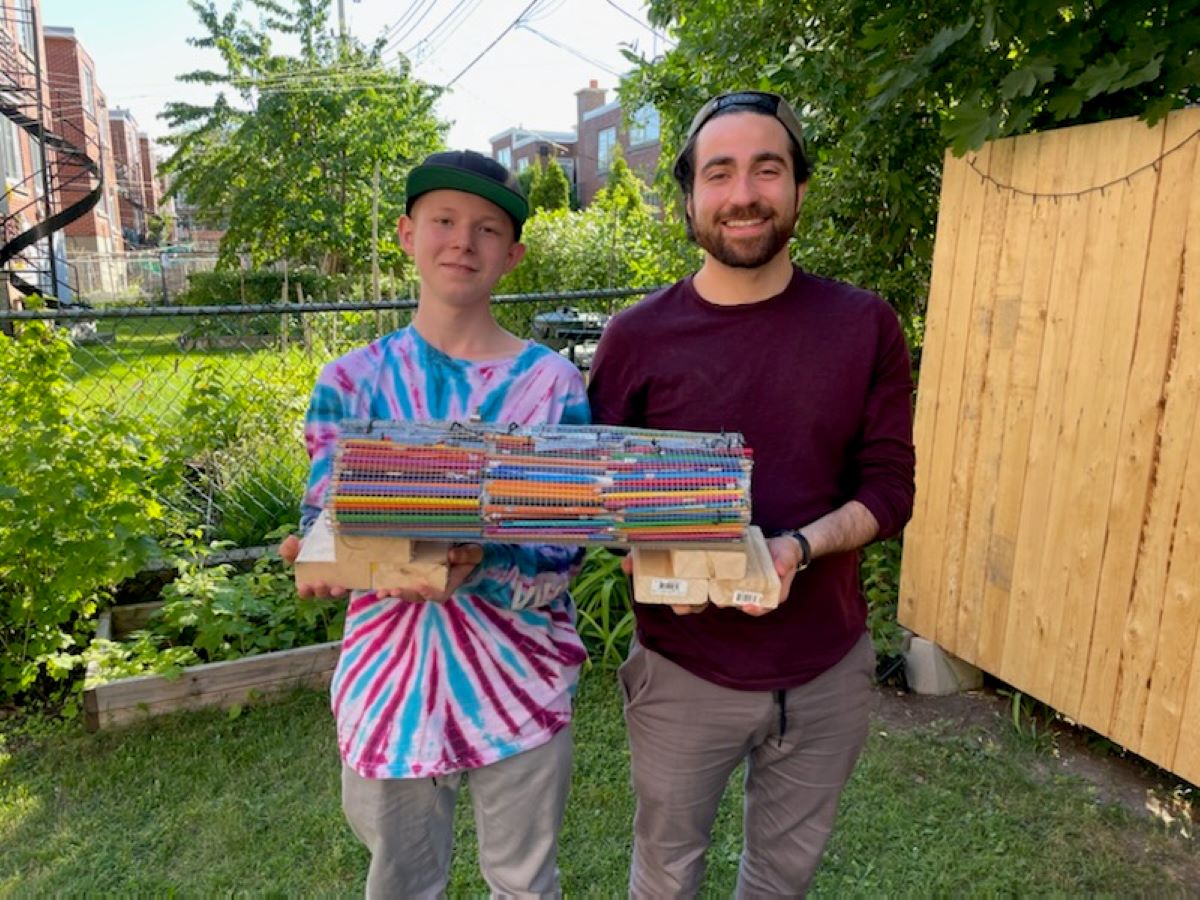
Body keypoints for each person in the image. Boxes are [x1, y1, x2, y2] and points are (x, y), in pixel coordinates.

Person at [587, 91, 916, 897]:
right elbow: (598, 496)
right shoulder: (636, 337)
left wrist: (797, 549)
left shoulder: (863, 325)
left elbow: (891, 487)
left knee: (783, 877)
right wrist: (647, 554)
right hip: (683, 669)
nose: (743, 194)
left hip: (826, 669)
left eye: (767, 169)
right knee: (667, 871)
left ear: (799, 186)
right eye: (720, 172)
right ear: (690, 195)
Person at [280, 149, 590, 899]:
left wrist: (476, 556)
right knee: (401, 884)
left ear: (512, 254)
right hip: (390, 689)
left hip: (521, 684)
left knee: (522, 885)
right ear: (406, 234)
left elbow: (565, 550)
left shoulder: (551, 384)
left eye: (487, 228)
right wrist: (319, 558)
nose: (463, 241)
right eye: (444, 221)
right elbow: (324, 524)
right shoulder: (350, 381)